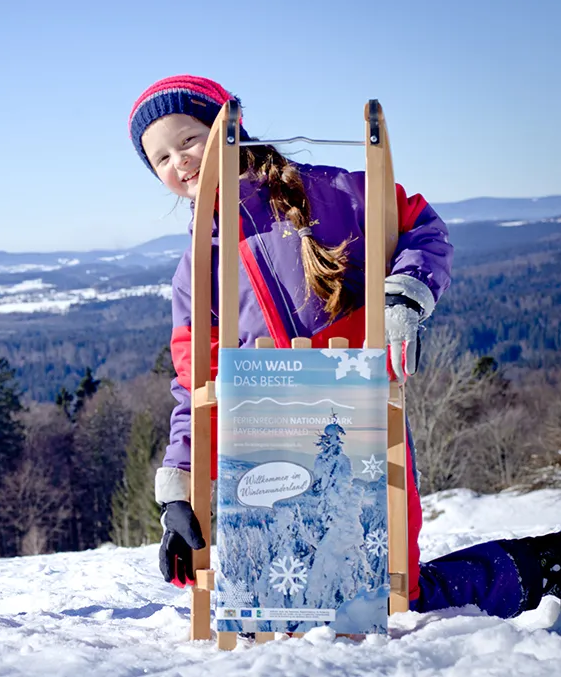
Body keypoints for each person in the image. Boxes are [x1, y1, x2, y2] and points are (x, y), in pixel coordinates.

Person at [128, 74, 561, 619]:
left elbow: (422, 227)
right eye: (161, 158)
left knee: (389, 596)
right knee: (307, 607)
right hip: (271, 448)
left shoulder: (328, 193)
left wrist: (404, 297)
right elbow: (196, 386)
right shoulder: (196, 271)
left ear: (228, 128)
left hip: (362, 430)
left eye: (188, 140)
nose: (180, 162)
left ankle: (537, 568)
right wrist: (180, 490)